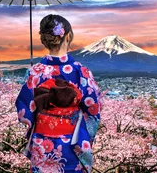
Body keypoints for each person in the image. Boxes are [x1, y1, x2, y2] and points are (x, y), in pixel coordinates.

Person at [15, 14, 101, 173]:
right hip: (71, 146)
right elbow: (93, 109)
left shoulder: (35, 72)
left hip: (42, 145)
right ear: (68, 36)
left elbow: (24, 111)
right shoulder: (81, 71)